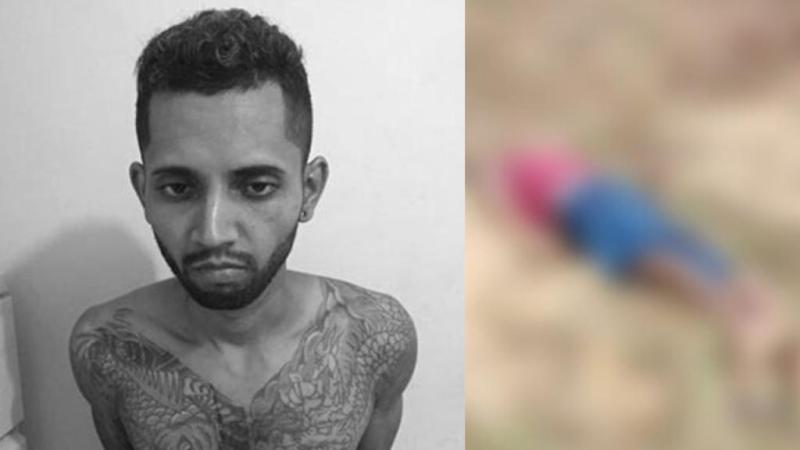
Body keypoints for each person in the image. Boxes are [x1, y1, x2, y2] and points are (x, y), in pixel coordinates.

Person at [68, 9, 417, 449]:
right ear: (143, 192)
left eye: (256, 187)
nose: (213, 232)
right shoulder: (104, 348)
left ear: (309, 190)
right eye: (179, 188)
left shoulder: (377, 338)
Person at [482, 144, 797, 417]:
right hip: (593, 211)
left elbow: (543, 224)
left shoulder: (521, 157)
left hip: (616, 202)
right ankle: (751, 381)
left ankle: (769, 365)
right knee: (705, 285)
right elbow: (525, 232)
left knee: (736, 287)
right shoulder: (500, 175)